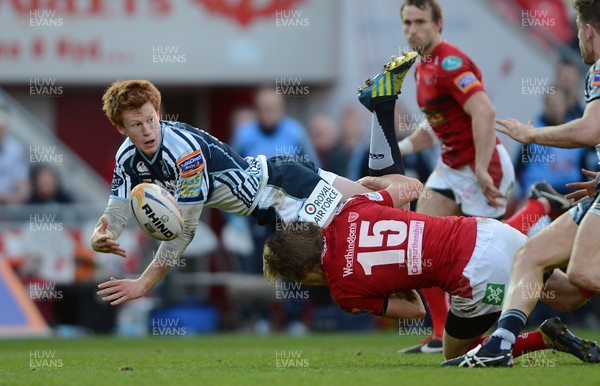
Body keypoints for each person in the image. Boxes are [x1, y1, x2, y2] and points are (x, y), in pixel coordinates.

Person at [93, 66, 417, 305]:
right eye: (137, 124)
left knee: (344, 254)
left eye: (151, 119)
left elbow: (184, 230)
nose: (148, 130)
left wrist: (144, 283)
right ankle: (381, 106)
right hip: (279, 185)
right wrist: (102, 234)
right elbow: (116, 211)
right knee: (383, 212)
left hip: (282, 192)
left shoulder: (185, 153)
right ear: (121, 128)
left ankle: (382, 108)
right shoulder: (126, 157)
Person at [262, 175, 599, 363]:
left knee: (458, 354)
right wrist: (380, 183)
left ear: (304, 274)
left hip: (477, 276)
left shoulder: (344, 293)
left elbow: (414, 309)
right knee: (571, 294)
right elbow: (413, 188)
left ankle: (540, 338)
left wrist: (396, 278)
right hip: (487, 230)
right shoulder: (350, 210)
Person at [391, 0, 570, 353]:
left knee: (492, 255)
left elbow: (484, 111)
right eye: (407, 23)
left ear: (438, 23)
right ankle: (441, 332)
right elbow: (438, 123)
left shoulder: (449, 62)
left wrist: (480, 168)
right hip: (452, 169)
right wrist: (401, 149)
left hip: (482, 170)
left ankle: (539, 205)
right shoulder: (422, 66)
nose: (413, 30)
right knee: (418, 243)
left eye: (420, 22)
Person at [444, 0, 600, 367]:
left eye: (578, 31)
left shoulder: (596, 71)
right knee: (532, 256)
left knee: (581, 271)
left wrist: (531, 134)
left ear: (588, 31)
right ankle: (500, 346)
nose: (578, 39)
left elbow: (591, 129)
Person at [0, 105, 30, 205]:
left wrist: (11, 199)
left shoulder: (16, 149)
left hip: (8, 206)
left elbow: (23, 186)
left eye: (2, 128)